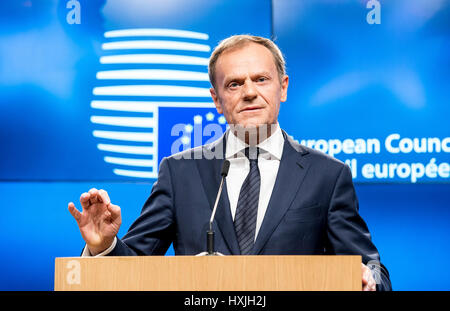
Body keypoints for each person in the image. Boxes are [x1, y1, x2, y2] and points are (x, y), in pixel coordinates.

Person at [68, 35, 391, 291]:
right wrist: (105, 246)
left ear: (283, 88)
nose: (249, 92)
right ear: (216, 100)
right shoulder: (180, 172)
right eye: (234, 84)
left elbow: (370, 267)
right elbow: (135, 267)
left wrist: (368, 278)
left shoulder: (327, 174)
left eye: (261, 79)